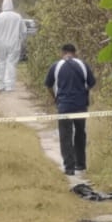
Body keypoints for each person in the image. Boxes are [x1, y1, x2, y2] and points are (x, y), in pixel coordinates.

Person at [43, 43, 96, 175]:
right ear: (75, 52)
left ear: (62, 53)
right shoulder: (83, 65)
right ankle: (81, 164)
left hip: (64, 106)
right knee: (80, 133)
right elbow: (92, 83)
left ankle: (69, 167)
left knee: (65, 135)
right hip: (80, 106)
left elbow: (48, 85)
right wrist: (83, 93)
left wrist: (55, 97)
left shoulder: (56, 66)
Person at [0, 0, 24, 92]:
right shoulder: (17, 17)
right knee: (11, 63)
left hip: (1, 44)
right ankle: (9, 85)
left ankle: (0, 84)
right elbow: (23, 31)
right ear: (12, 5)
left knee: (0, 61)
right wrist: (22, 39)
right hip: (14, 43)